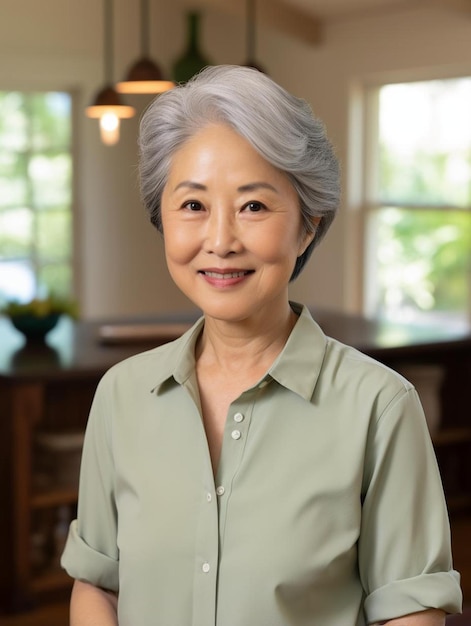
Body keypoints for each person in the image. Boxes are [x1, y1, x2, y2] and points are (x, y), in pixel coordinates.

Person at [61, 65, 462, 626]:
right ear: (164, 221)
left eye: (253, 206)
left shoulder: (380, 407)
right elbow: (98, 585)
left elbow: (411, 612)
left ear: (306, 226)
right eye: (193, 206)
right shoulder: (121, 397)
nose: (220, 241)